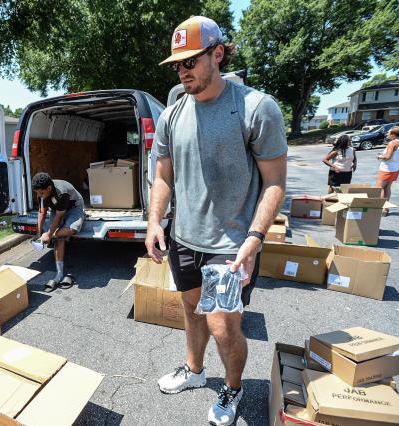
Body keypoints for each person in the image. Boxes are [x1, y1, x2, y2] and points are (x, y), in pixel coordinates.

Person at [146, 16, 287, 426]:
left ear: (218, 54)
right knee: (192, 311)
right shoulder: (172, 115)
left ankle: (233, 388)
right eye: (177, 64)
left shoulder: (256, 108)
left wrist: (255, 238)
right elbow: (163, 176)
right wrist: (156, 222)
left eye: (191, 61)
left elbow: (275, 181)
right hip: (185, 239)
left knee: (224, 326)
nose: (183, 70)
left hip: (231, 245)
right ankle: (194, 371)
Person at [32, 172, 84, 292]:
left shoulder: (62, 192)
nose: (39, 195)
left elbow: (60, 216)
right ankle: (59, 274)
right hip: (57, 209)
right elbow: (42, 212)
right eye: (37, 193)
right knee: (58, 238)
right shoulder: (41, 192)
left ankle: (53, 235)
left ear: (49, 188)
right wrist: (39, 233)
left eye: (41, 193)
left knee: (71, 229)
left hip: (74, 207)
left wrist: (50, 234)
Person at [375, 125, 399, 216]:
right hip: (395, 168)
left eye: (388, 132)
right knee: (387, 188)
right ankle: (385, 208)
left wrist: (379, 156)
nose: (387, 134)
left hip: (387, 169)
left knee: (379, 188)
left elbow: (388, 157)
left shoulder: (392, 143)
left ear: (393, 134)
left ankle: (380, 209)